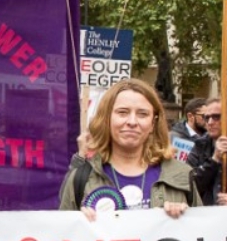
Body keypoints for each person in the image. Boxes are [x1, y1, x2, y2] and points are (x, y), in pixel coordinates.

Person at [59, 78, 199, 219]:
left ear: (153, 123)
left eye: (142, 114)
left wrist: (186, 220)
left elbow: (202, 232)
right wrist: (79, 225)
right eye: (123, 112)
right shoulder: (80, 178)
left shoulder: (182, 174)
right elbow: (62, 234)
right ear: (107, 118)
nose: (132, 122)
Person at [187, 97, 227, 205]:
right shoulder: (199, 146)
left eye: (216, 117)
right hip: (206, 216)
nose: (210, 122)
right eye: (206, 118)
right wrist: (214, 160)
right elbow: (190, 186)